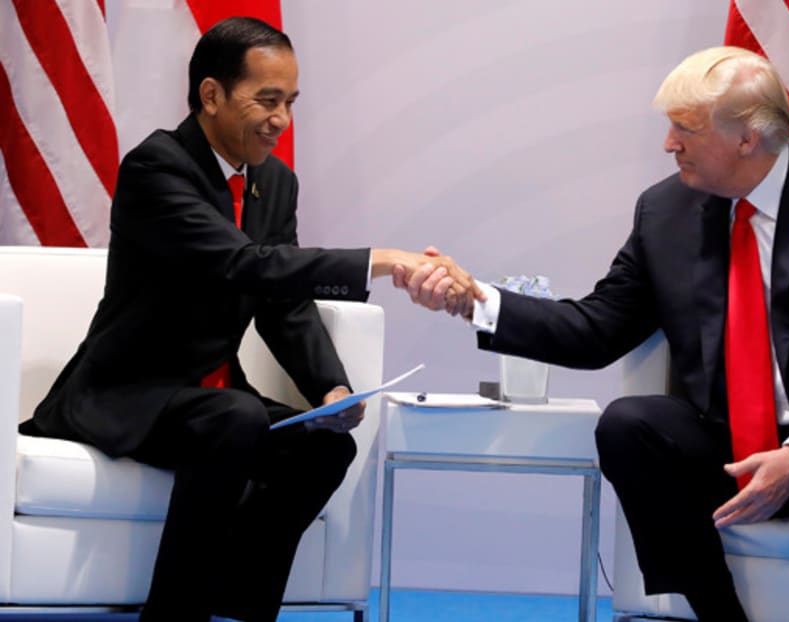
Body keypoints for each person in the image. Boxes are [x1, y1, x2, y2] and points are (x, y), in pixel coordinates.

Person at [18, 17, 481, 622]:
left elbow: (282, 302)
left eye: (289, 102)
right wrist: (385, 262)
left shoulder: (275, 183)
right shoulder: (156, 168)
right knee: (235, 416)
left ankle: (241, 606)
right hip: (127, 391)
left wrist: (329, 386)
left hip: (210, 400)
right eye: (267, 100)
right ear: (211, 95)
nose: (281, 119)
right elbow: (244, 263)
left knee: (322, 448)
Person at [399, 46, 789, 621]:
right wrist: (475, 301)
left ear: (747, 139)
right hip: (730, 452)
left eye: (685, 128)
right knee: (631, 425)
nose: (668, 144)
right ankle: (719, 616)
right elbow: (595, 330)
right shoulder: (667, 211)